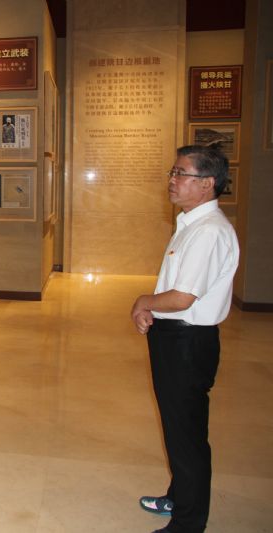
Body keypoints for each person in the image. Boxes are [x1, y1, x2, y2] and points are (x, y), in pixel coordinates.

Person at [131, 145, 239, 533]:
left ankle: (188, 523)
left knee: (186, 436)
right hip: (176, 337)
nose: (172, 181)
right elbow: (176, 291)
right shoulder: (192, 224)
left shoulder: (208, 232)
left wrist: (144, 301)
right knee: (181, 430)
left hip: (187, 343)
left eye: (181, 173)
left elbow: (182, 298)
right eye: (172, 173)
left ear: (207, 183)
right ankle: (179, 498)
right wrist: (153, 310)